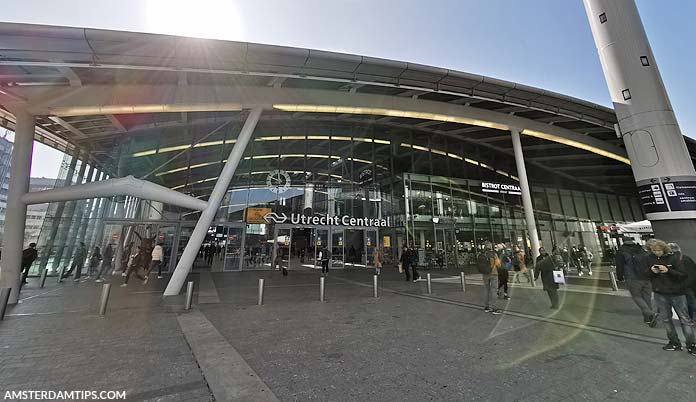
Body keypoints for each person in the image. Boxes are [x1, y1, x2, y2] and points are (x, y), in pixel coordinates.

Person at [644, 239, 696, 354]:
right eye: (654, 250)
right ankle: (674, 343)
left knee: (685, 320)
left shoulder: (675, 258)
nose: (657, 253)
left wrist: (668, 271)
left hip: (677, 293)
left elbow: (683, 275)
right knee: (666, 319)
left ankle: (691, 345)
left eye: (659, 250)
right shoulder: (649, 259)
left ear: (664, 249)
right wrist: (652, 271)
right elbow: (645, 274)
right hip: (660, 293)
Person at [615, 238, 656, 327]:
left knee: (637, 297)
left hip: (632, 278)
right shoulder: (641, 249)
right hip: (646, 277)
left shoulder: (621, 251)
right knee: (647, 298)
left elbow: (619, 265)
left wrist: (620, 277)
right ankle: (648, 320)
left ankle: (650, 314)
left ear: (623, 241)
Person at [668, 243, 696, 320]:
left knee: (689, 305)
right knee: (691, 304)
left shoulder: (673, 260)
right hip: (688, 286)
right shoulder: (686, 258)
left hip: (683, 287)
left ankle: (689, 319)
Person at [477, 243, 502, 314]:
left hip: (485, 274)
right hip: (493, 274)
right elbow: (498, 264)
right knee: (494, 290)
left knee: (486, 290)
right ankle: (494, 308)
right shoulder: (493, 254)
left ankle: (486, 307)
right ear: (491, 247)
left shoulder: (481, 254)